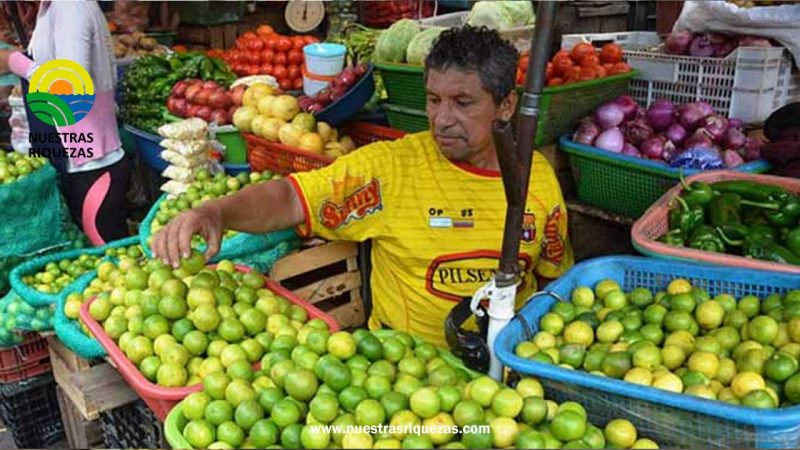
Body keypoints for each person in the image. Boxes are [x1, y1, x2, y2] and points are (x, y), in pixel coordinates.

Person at [152, 26, 574, 347]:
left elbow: (555, 283)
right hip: (403, 377)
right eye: (433, 100)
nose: (442, 119)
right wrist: (215, 213)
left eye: (463, 103)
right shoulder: (392, 169)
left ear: (506, 104)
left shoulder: (536, 182)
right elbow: (290, 197)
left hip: (509, 370)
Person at [0, 0, 131, 245]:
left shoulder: (71, 6)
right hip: (74, 157)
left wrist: (13, 61)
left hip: (93, 164)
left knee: (108, 257)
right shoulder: (51, 8)